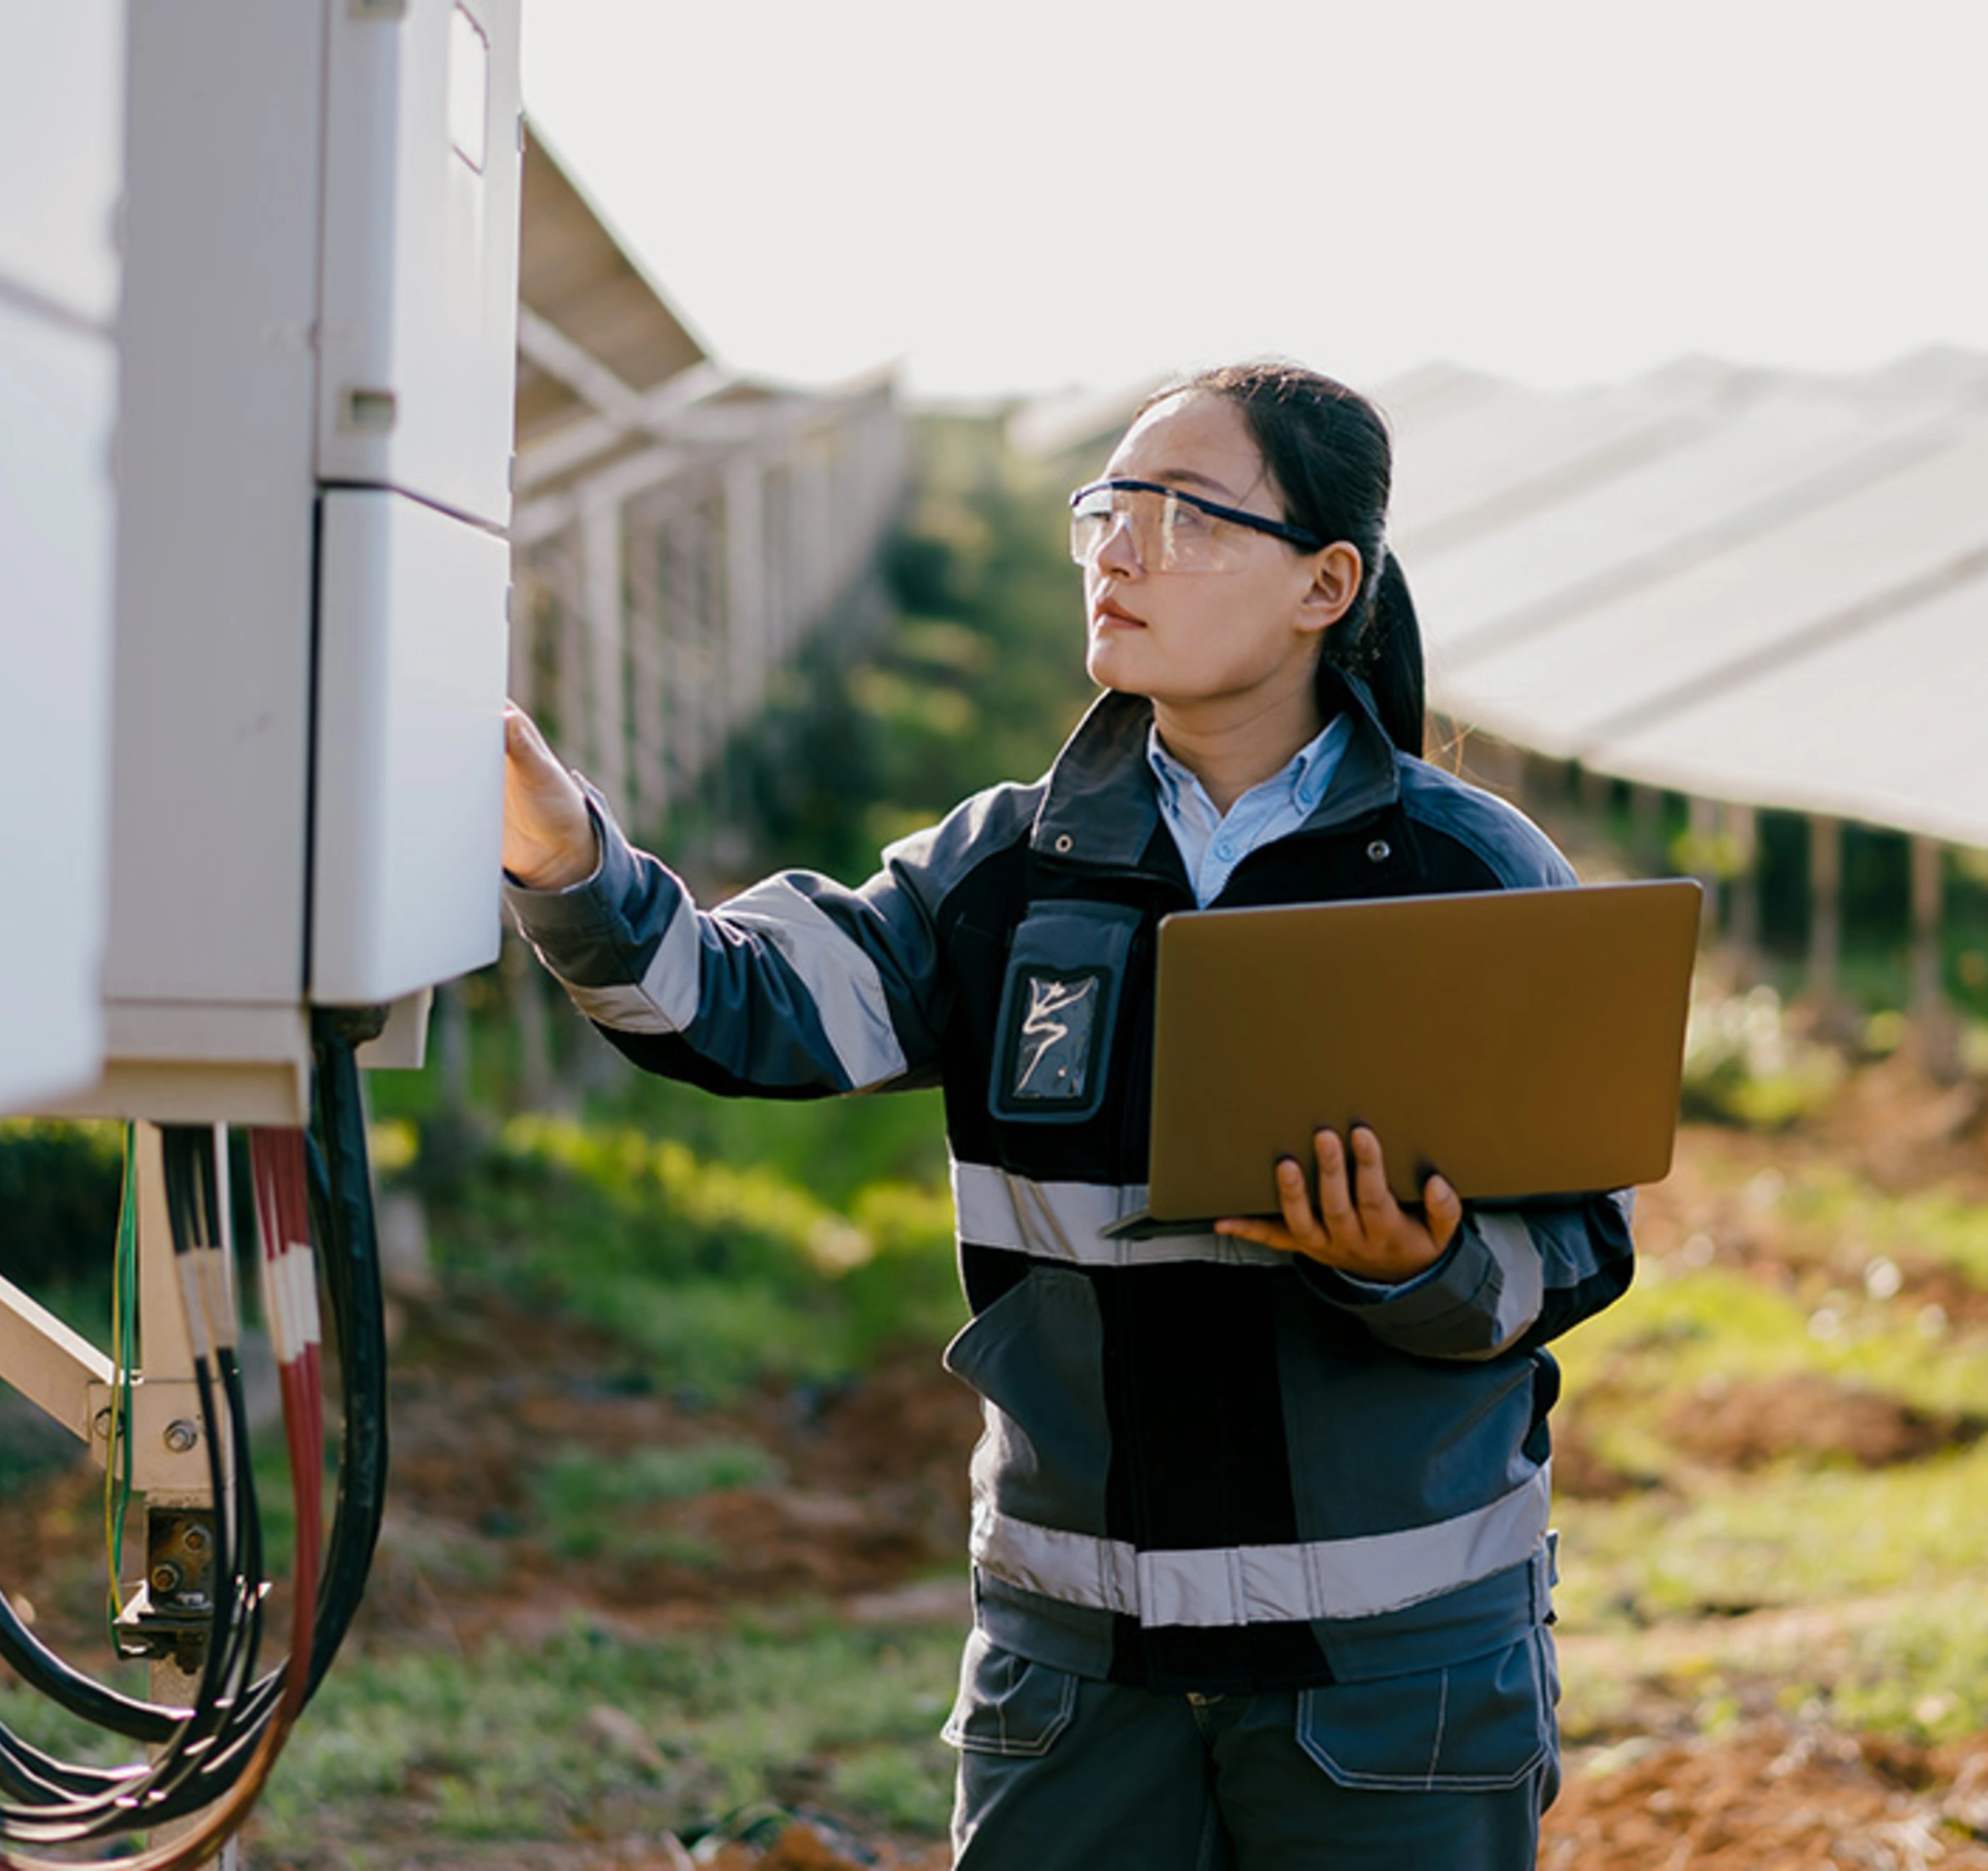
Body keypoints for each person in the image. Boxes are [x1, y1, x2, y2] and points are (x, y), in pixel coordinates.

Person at [500, 359, 1634, 1871]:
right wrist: (565, 853)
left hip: (1389, 1677)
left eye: (1177, 515)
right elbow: (735, 1003)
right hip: (1078, 1671)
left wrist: (1406, 1268)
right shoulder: (1004, 872)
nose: (1117, 547)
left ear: (1324, 580)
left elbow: (1574, 1246)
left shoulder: (1462, 871)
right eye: (1106, 509)